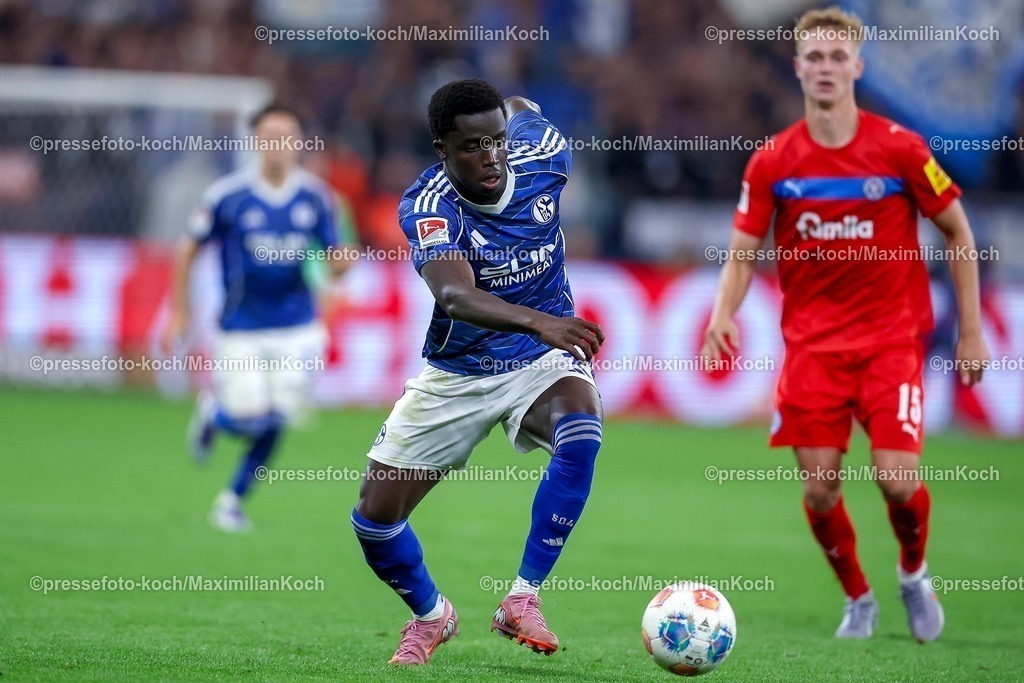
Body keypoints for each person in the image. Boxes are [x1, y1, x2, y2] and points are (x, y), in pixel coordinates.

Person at [702, 7, 990, 642]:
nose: (826, 67)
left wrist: (970, 330)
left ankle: (912, 572)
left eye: (838, 57)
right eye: (815, 57)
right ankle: (858, 598)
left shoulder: (900, 148)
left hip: (891, 343)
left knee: (896, 480)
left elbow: (959, 233)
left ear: (858, 66)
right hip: (812, 351)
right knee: (821, 492)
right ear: (798, 68)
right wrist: (723, 313)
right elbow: (743, 253)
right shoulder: (773, 161)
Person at [350, 79, 605, 665]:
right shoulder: (429, 205)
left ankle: (522, 597)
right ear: (442, 149)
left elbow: (523, 109)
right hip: (460, 371)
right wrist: (542, 321)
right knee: (375, 520)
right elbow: (455, 296)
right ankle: (431, 616)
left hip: (538, 361)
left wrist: (513, 111)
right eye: (472, 147)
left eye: (497, 141)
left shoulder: (543, 153)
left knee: (581, 433)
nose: (490, 157)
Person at [162, 103, 350, 532]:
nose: (278, 145)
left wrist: (342, 266)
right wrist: (179, 313)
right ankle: (214, 415)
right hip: (241, 327)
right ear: (255, 142)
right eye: (269, 137)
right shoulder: (227, 196)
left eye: (287, 137)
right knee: (249, 418)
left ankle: (231, 501)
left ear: (300, 143)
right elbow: (187, 249)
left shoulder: (317, 197)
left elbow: (334, 259)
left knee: (278, 417)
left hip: (298, 326)